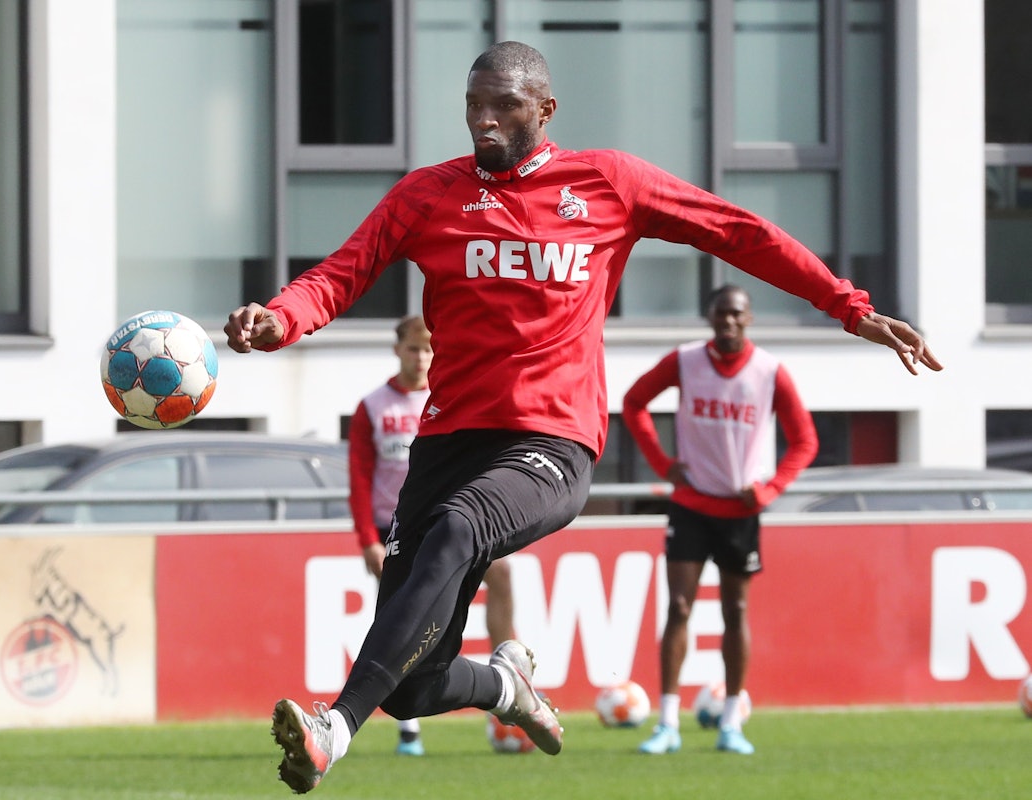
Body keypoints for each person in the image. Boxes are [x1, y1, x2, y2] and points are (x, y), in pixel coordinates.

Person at [223, 41, 942, 793]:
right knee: (410, 685)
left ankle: (334, 728)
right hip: (447, 442)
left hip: (551, 442)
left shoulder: (607, 183)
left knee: (460, 527)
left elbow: (736, 230)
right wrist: (279, 318)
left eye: (504, 105)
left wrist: (848, 306)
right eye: (473, 105)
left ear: (545, 110)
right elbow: (340, 274)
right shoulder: (428, 194)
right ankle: (505, 687)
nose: (485, 120)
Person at [623, 284, 817, 757]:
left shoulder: (769, 371)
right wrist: (662, 462)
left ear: (749, 318)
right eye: (721, 313)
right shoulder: (685, 361)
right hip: (691, 503)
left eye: (736, 313)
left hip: (739, 512)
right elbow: (633, 402)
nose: (728, 321)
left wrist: (770, 489)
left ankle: (731, 723)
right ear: (709, 318)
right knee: (679, 607)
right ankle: (668, 723)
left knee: (736, 611)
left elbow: (805, 440)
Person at [348, 314, 515, 757]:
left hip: (452, 520)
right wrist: (367, 538)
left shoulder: (450, 397)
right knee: (400, 618)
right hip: (396, 526)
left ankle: (510, 673)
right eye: (413, 348)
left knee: (502, 575)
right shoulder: (374, 406)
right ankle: (409, 728)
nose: (421, 357)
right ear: (397, 350)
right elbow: (359, 476)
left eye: (428, 349)